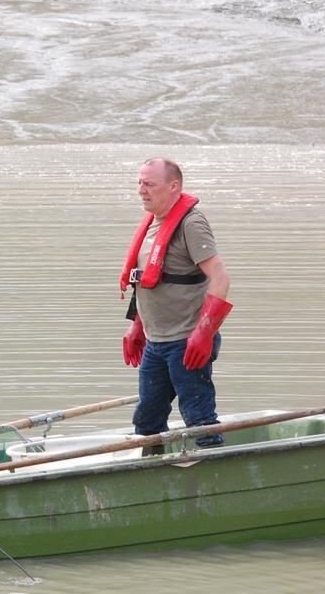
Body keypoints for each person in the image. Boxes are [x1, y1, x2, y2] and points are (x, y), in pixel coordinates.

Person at [119, 158, 232, 451]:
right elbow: (150, 282)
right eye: (139, 183)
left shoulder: (191, 224)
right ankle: (152, 476)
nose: (141, 190)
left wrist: (203, 334)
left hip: (187, 342)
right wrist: (137, 327)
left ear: (174, 186)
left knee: (199, 419)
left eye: (149, 184)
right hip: (155, 343)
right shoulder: (152, 223)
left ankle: (216, 475)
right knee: (147, 422)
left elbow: (220, 279)